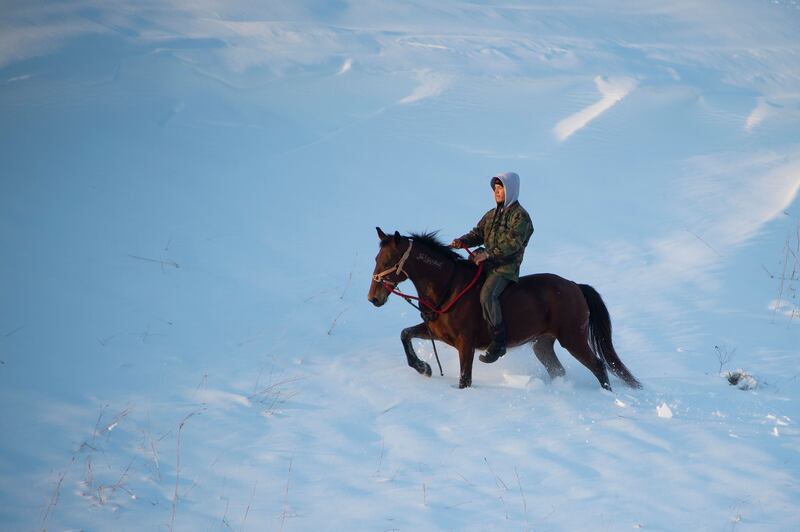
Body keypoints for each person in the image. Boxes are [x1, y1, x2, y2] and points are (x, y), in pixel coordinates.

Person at [450, 172, 534, 363]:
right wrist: (461, 241)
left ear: (510, 189)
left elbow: (512, 244)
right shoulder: (491, 215)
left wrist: (488, 254)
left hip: (505, 268)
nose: (496, 193)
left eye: (500, 188)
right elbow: (477, 234)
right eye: (495, 189)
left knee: (488, 294)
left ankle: (498, 342)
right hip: (486, 264)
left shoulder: (521, 217)